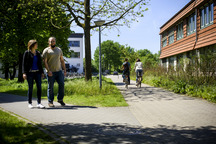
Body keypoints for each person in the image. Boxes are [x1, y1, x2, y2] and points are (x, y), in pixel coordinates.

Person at [42, 37, 67, 107]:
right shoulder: (46, 51)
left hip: (59, 71)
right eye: (51, 41)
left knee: (62, 84)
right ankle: (50, 101)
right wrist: (48, 71)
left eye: (54, 41)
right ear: (48, 42)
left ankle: (60, 99)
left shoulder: (59, 50)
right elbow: (45, 62)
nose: (53, 42)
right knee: (51, 87)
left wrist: (64, 69)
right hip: (51, 72)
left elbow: (62, 60)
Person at [22, 40, 45, 109]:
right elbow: (23, 64)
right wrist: (24, 73)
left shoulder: (38, 53)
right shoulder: (27, 53)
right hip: (30, 73)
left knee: (39, 88)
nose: (37, 45)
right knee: (30, 88)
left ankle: (39, 103)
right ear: (32, 45)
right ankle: (30, 103)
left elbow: (40, 64)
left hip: (37, 72)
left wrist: (42, 72)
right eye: (36, 44)